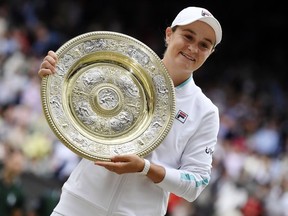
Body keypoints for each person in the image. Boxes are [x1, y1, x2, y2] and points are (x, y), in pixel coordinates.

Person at [38, 6, 222, 216]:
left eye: (204, 45)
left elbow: (196, 184)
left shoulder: (205, 111)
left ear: (211, 52)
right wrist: (53, 80)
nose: (193, 48)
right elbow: (72, 114)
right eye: (188, 36)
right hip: (77, 204)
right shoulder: (120, 69)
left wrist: (144, 167)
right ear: (169, 34)